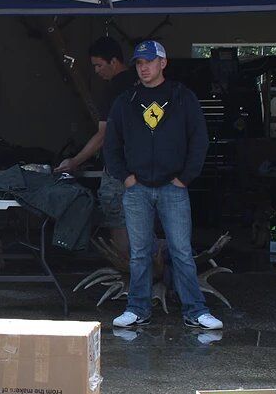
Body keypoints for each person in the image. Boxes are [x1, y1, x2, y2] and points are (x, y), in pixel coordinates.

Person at [103, 40, 223, 331]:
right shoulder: (126, 99)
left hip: (173, 187)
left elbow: (200, 140)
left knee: (181, 250)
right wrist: (126, 177)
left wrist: (185, 177)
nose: (143, 68)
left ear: (163, 63)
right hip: (137, 187)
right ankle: (137, 309)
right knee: (140, 252)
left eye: (149, 62)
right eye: (139, 64)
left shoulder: (182, 97)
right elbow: (111, 144)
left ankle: (196, 311)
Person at [57, 36, 134, 258]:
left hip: (120, 169)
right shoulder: (145, 85)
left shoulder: (115, 90)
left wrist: (74, 161)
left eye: (99, 65)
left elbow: (104, 134)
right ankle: (146, 276)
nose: (97, 71)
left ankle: (127, 276)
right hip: (145, 168)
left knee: (119, 221)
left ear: (114, 61)